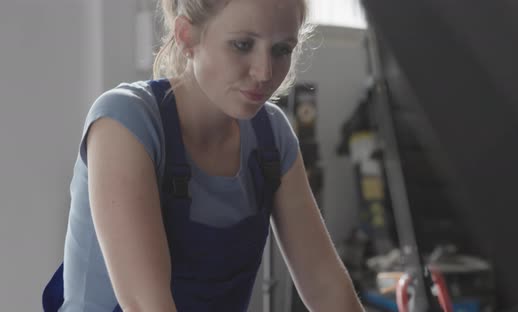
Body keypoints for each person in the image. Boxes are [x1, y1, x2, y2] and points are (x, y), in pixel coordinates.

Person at [49, 0, 365, 311]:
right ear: (188, 36)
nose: (264, 71)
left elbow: (326, 287)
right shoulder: (125, 122)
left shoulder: (273, 136)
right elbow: (146, 305)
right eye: (242, 45)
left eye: (281, 49)